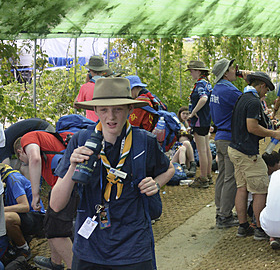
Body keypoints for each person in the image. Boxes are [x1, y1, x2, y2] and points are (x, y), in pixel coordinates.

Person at [49, 77, 174, 270]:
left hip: (134, 247)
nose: (111, 117)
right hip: (90, 246)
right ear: (95, 110)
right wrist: (73, 166)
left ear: (130, 109)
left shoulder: (144, 141)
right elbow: (56, 204)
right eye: (104, 110)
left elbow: (169, 169)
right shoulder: (81, 141)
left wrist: (156, 184)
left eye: (118, 109)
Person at [229, 72, 280, 241]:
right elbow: (252, 127)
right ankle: (260, 228)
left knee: (242, 187)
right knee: (261, 189)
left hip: (235, 148)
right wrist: (273, 132)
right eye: (266, 89)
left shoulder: (242, 97)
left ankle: (243, 226)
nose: (265, 93)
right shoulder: (253, 101)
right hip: (247, 153)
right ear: (261, 85)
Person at [14, 130, 74, 270]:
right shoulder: (47, 140)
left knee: (56, 232)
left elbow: (34, 159)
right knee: (50, 225)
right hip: (65, 185)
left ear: (20, 151)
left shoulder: (27, 138)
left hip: (64, 187)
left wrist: (35, 195)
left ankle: (74, 266)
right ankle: (55, 262)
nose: (24, 163)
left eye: (21, 160)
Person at [210, 58, 250, 229]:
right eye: (233, 68)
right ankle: (224, 216)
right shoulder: (230, 91)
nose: (236, 70)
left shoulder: (216, 89)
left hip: (219, 136)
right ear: (226, 73)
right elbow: (248, 103)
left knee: (222, 176)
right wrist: (249, 82)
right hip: (229, 139)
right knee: (231, 178)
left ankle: (220, 210)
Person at [1, 163, 45, 259]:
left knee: (6, 218)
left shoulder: (12, 179)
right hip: (22, 216)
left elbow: (25, 206)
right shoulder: (4, 178)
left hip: (36, 216)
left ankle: (23, 248)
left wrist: (1, 210)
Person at [186, 60, 213, 188]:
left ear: (198, 71)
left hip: (199, 121)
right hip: (206, 120)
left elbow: (204, 98)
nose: (191, 73)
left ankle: (203, 178)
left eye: (192, 71)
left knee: (201, 150)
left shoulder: (200, 84)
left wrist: (193, 112)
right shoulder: (208, 84)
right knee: (206, 148)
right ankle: (208, 175)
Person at [74, 55, 110, 122]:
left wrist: (86, 84)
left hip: (92, 124)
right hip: (108, 123)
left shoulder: (86, 87)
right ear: (103, 70)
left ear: (90, 70)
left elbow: (76, 105)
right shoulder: (110, 84)